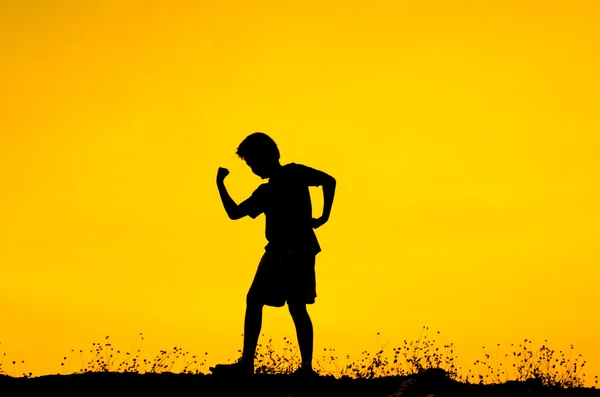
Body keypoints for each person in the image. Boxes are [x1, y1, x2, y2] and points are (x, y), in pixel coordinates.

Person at [211, 132, 336, 378]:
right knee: (264, 301)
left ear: (265, 157)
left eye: (252, 162)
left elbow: (330, 181)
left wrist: (324, 215)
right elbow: (235, 213)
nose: (253, 168)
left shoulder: (292, 174)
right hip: (282, 250)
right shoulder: (268, 189)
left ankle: (301, 368)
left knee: (293, 306)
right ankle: (253, 364)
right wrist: (221, 186)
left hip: (295, 251)